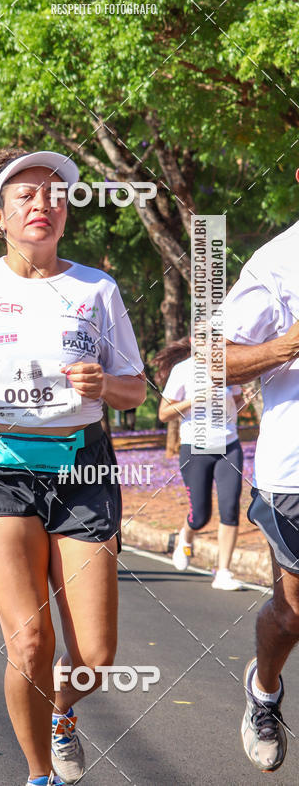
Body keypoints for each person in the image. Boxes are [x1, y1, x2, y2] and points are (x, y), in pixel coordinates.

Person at [0, 149, 146, 786]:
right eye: (25, 196)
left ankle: (61, 710)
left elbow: (134, 388)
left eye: (54, 196)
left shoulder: (97, 289)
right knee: (29, 642)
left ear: (66, 215)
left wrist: (104, 384)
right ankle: (39, 774)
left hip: (82, 468)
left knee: (94, 656)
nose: (42, 205)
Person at [222, 218, 299, 772]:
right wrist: (289, 344)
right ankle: (264, 689)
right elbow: (217, 360)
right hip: (293, 474)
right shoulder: (276, 261)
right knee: (294, 615)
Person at [155, 335, 245, 589]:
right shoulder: (182, 370)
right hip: (195, 449)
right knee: (200, 516)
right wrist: (195, 399)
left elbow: (237, 403)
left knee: (230, 507)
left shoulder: (229, 366)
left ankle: (223, 572)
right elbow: (164, 413)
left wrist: (241, 402)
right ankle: (186, 536)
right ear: (195, 341)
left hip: (229, 446)